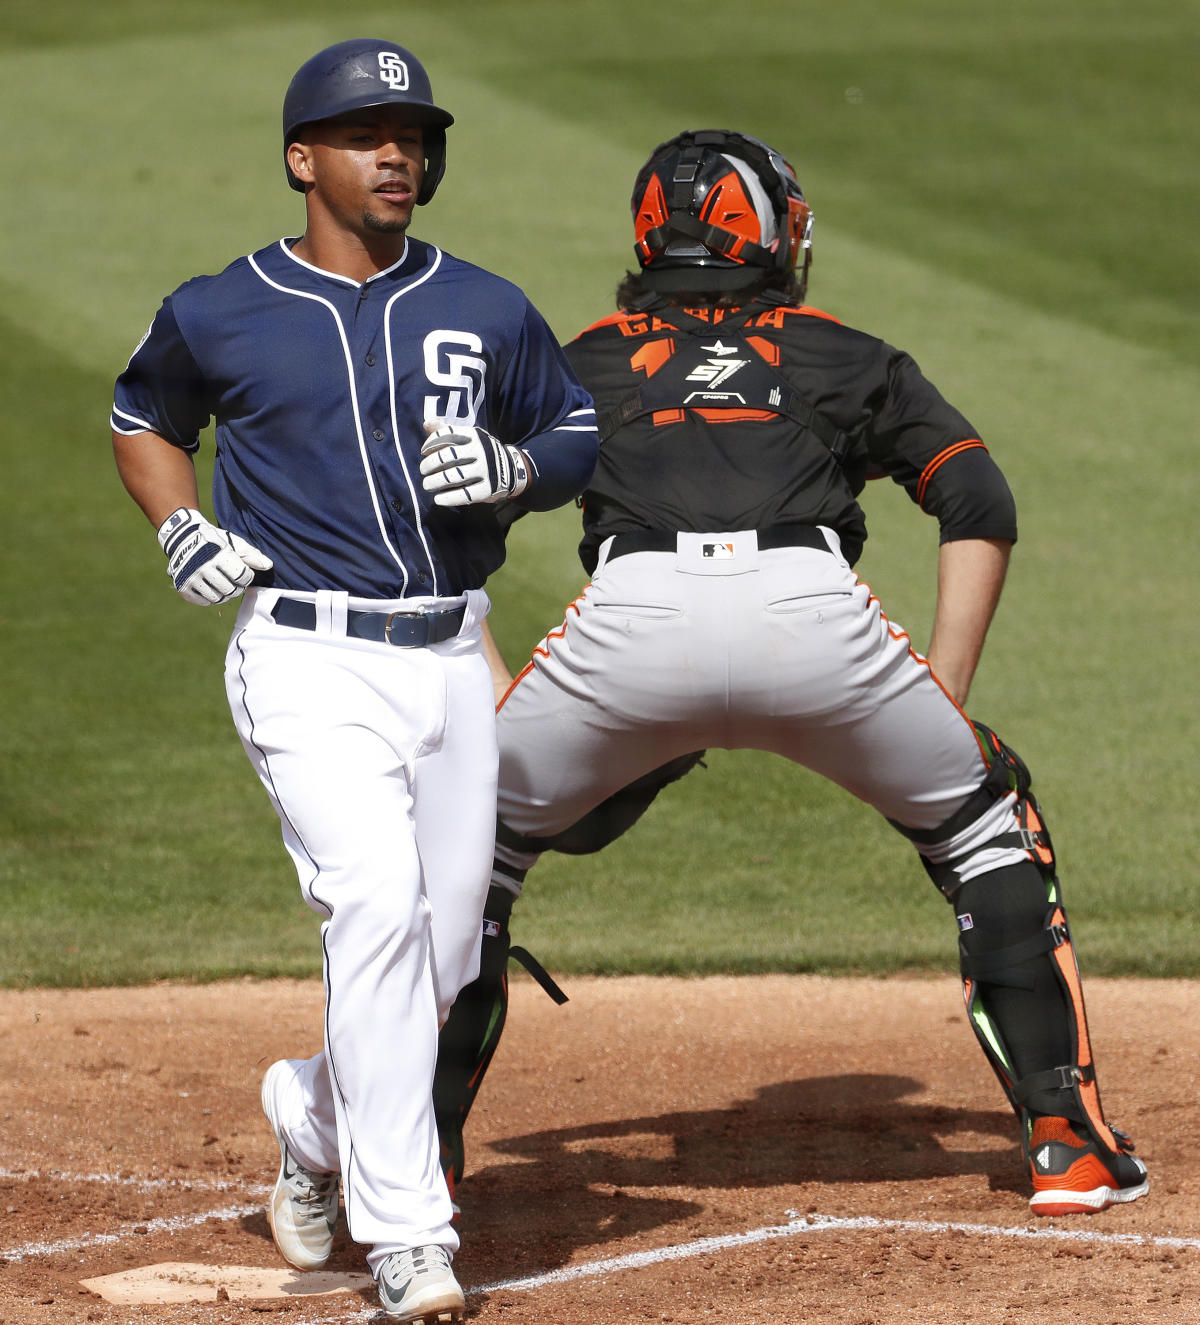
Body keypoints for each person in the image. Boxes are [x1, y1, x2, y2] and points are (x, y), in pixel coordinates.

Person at [433, 128, 1149, 1221]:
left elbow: (446, 510)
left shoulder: (578, 357)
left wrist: (489, 702)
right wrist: (940, 701)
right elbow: (978, 501)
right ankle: (1068, 1144)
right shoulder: (839, 352)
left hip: (628, 629)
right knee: (985, 823)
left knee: (471, 847)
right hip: (815, 625)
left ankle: (415, 1154)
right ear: (770, 234)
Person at [109, 38, 598, 1323]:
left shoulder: (486, 304)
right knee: (374, 906)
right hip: (306, 660)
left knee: (438, 964)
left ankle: (308, 1106)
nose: (399, 153)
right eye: (368, 132)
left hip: (446, 660)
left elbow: (574, 427)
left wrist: (515, 471)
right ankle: (410, 1231)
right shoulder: (222, 307)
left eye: (414, 134)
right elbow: (144, 420)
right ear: (301, 159)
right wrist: (178, 524)